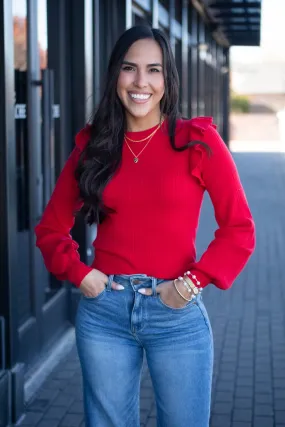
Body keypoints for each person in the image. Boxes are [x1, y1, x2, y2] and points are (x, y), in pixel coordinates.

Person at [35, 25, 255, 427]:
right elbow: (50, 228)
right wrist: (80, 274)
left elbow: (239, 228)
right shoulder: (94, 145)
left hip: (176, 312)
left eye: (153, 70)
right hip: (104, 315)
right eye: (129, 68)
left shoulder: (197, 141)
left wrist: (191, 283)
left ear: (167, 79)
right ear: (114, 76)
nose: (141, 82)